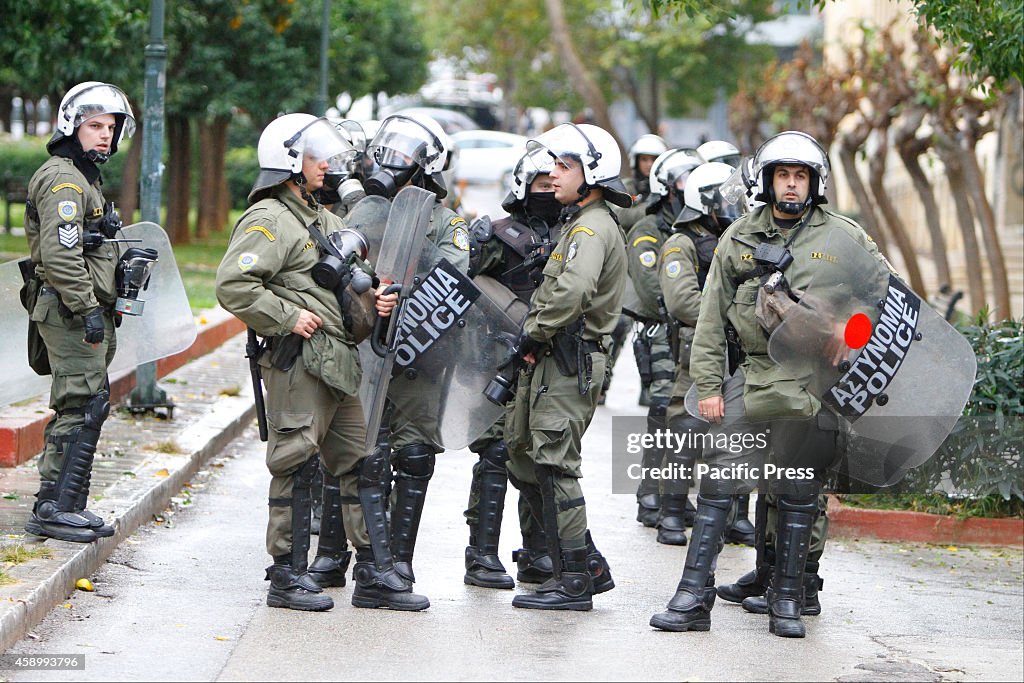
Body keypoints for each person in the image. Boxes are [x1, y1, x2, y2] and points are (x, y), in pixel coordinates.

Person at [651, 130, 887, 638]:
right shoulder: (739, 235)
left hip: (814, 382)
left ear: (815, 183)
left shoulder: (843, 237)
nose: (791, 186)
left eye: (800, 176)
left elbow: (880, 293)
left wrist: (855, 335)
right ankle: (694, 598)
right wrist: (710, 386)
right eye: (783, 175)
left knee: (799, 488)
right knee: (717, 480)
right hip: (754, 376)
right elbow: (711, 317)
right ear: (767, 180)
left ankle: (787, 601)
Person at [215, 113, 429, 612]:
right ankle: (287, 576)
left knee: (363, 460)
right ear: (290, 162)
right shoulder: (269, 219)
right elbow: (233, 284)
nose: (328, 164)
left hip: (338, 366)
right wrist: (288, 316)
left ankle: (375, 573)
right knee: (295, 463)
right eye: (317, 156)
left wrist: (371, 306)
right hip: (298, 365)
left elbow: (346, 297)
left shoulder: (325, 220)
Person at [504, 123, 627, 611]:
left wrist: (533, 334)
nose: (552, 174)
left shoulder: (592, 228)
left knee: (554, 463)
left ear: (591, 174)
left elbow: (572, 293)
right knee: (523, 456)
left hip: (568, 359)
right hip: (552, 358)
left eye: (563, 166)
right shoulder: (579, 223)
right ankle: (584, 562)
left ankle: (574, 578)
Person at [23, 82, 137, 544]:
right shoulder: (65, 180)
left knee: (91, 401)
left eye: (110, 128)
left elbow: (82, 245)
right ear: (72, 125)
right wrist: (88, 308)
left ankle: (70, 504)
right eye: (95, 126)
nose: (105, 136)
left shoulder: (84, 178)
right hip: (71, 309)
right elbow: (60, 254)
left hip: (84, 308)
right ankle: (51, 506)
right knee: (78, 403)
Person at [362, 112, 471, 587]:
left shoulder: (448, 224)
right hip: (370, 353)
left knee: (413, 457)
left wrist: (402, 291)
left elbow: (450, 278)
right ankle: (355, 556)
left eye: (406, 156)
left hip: (424, 358)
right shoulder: (365, 211)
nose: (393, 162)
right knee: (363, 453)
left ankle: (398, 560)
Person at [461, 152, 563, 589]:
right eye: (540, 184)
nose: (548, 192)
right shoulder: (496, 235)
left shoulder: (575, 235)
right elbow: (463, 295)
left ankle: (538, 552)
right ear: (523, 187)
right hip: (495, 364)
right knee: (495, 454)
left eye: (553, 183)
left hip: (550, 364)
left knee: (541, 455)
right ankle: (481, 554)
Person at [626, 148, 702, 538]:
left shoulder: (697, 231)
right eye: (683, 180)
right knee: (662, 410)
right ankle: (649, 494)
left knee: (685, 415)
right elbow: (649, 281)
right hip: (659, 331)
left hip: (691, 338)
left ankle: (673, 492)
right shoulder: (649, 228)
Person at [600, 133, 669, 406]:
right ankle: (603, 383)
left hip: (654, 267)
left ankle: (650, 387)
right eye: (644, 159)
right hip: (623, 269)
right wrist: (650, 206)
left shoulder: (670, 187)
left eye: (654, 159)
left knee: (656, 329)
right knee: (617, 326)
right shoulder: (626, 188)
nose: (648, 165)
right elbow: (621, 214)